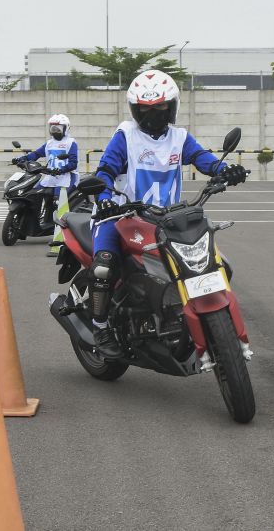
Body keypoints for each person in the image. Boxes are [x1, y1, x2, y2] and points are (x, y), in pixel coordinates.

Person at [88, 69, 248, 358]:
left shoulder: (179, 138)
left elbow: (202, 158)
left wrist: (224, 170)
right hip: (120, 217)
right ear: (134, 110)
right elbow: (106, 170)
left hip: (165, 219)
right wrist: (104, 199)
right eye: (145, 109)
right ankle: (99, 327)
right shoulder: (125, 136)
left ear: (172, 106)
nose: (152, 114)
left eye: (160, 106)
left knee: (210, 262)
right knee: (104, 265)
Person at [12, 114, 79, 225]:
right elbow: (36, 154)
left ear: (66, 128)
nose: (55, 130)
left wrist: (61, 169)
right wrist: (21, 159)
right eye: (52, 128)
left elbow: (73, 163)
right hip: (50, 176)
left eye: (58, 128)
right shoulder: (49, 143)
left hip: (66, 177)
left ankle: (61, 227)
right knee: (32, 195)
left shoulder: (71, 143)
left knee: (57, 202)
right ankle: (32, 222)